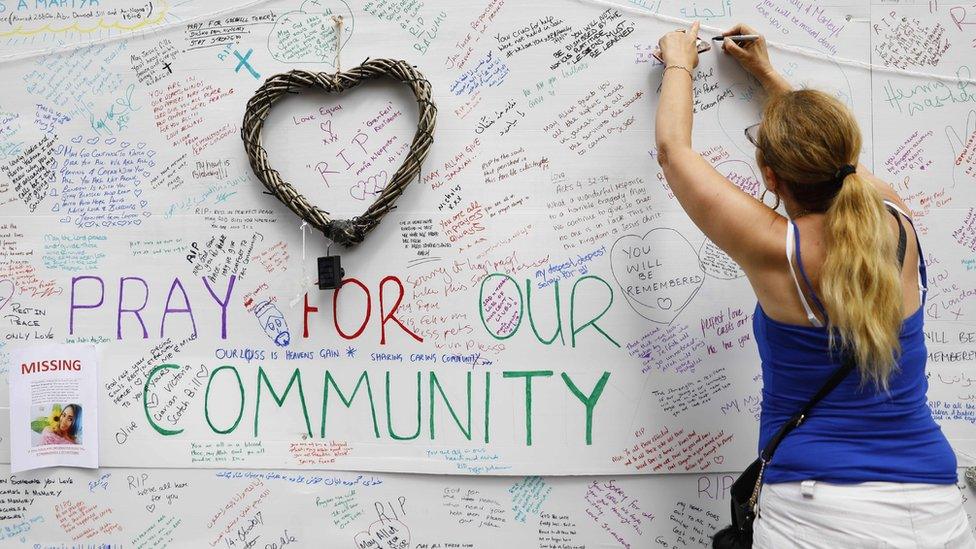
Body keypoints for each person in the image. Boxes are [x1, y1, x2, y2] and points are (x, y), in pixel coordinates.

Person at [655, 22, 976, 548]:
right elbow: (831, 155)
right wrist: (765, 74)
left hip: (817, 511)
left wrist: (678, 62)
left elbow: (675, 153)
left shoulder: (777, 250)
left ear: (770, 177)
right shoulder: (895, 219)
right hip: (935, 509)